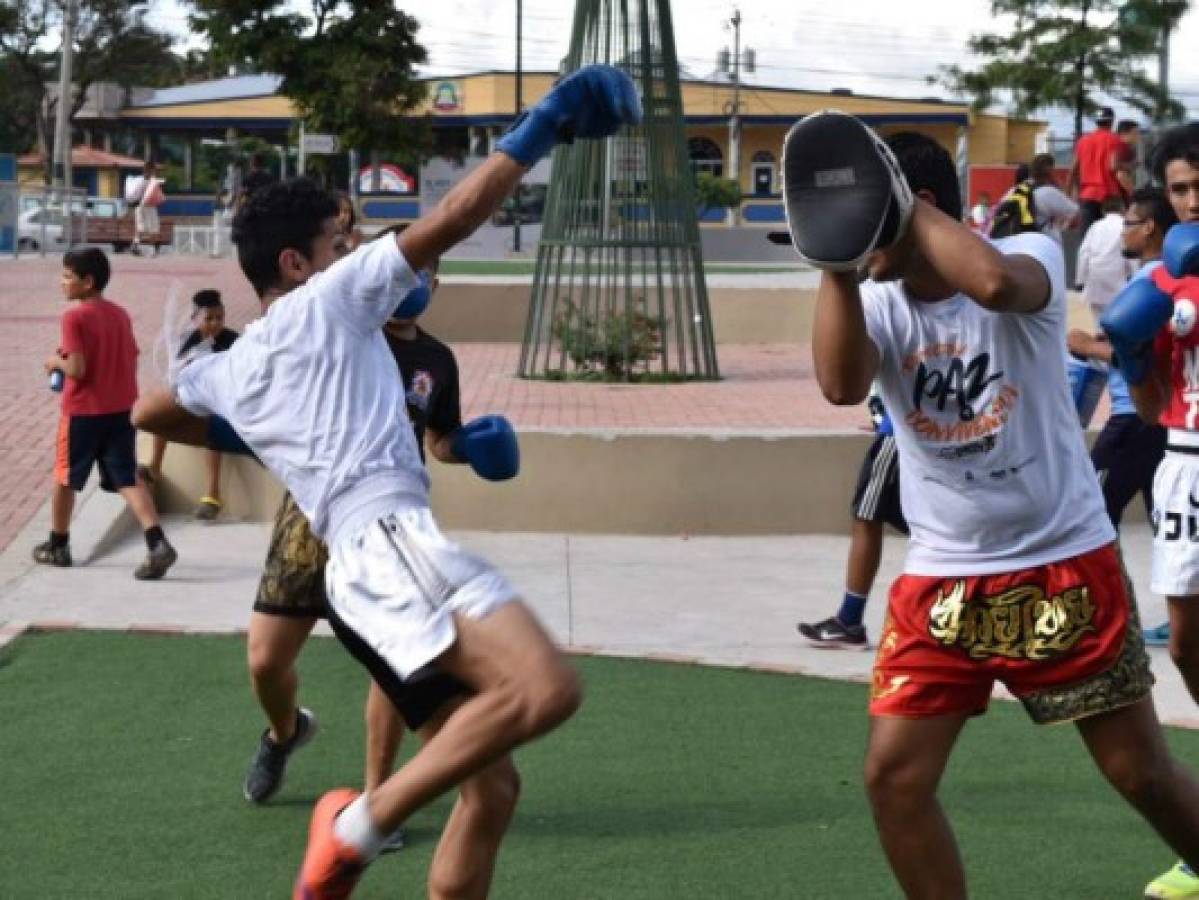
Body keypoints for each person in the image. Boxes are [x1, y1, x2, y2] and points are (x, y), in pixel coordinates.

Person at [131, 64, 639, 898]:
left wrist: (263, 432)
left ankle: (364, 826)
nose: (358, 251)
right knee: (548, 688)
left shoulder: (234, 362)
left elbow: (152, 410)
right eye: (342, 241)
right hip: (387, 543)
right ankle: (354, 828)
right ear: (298, 263)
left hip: (356, 569)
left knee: (494, 787)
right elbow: (452, 216)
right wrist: (543, 125)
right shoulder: (331, 298)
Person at [786, 113, 1199, 898]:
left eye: (866, 225)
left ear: (921, 207)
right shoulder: (876, 300)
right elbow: (840, 384)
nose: (856, 242)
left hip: (1061, 565)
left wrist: (898, 209)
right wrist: (836, 262)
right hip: (941, 579)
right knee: (893, 778)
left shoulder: (1027, 252)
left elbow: (995, 286)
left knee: (1139, 774)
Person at [241, 255, 469, 859]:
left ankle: (377, 798)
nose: (413, 283)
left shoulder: (438, 361)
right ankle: (285, 732)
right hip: (312, 514)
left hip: (392, 527)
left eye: (426, 274)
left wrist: (467, 447)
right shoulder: (342, 333)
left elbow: (439, 438)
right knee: (265, 660)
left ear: (436, 284)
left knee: (390, 670)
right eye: (405, 271)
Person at [1103, 122, 1199, 900]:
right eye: (1178, 190)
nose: (1191, 201)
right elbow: (1152, 401)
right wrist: (1133, 353)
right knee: (1188, 647)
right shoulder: (1165, 284)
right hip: (1183, 469)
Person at [36, 247, 177, 579]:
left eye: (68, 276)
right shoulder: (119, 314)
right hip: (119, 409)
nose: (62, 282)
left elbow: (78, 368)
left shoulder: (74, 316)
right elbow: (132, 353)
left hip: (83, 411)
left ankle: (58, 544)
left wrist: (55, 362)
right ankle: (156, 541)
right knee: (126, 477)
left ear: (88, 282)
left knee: (65, 476)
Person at [1068, 188, 1173, 530]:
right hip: (1151, 419)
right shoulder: (1162, 276)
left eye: (1128, 224)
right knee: (1163, 519)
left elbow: (1145, 355)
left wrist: (1087, 346)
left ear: (1149, 227)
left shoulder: (1152, 279)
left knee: (1089, 514)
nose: (1122, 232)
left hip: (1133, 417)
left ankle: (1112, 585)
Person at [797, 387, 907, 649]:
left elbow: (840, 388)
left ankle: (849, 621)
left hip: (898, 432)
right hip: (914, 427)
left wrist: (883, 415)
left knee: (866, 516)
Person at [143, 289, 240, 520]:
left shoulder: (233, 340)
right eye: (209, 319)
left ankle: (212, 495)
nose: (216, 323)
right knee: (162, 415)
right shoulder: (185, 341)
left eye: (220, 318)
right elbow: (176, 374)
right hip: (190, 399)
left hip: (217, 404)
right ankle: (154, 468)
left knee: (214, 428)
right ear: (195, 319)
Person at [1070, 107, 1135, 236]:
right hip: (1109, 196)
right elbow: (1113, 165)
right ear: (1111, 121)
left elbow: (1074, 169)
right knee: (1111, 236)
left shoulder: (1083, 141)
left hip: (1087, 195)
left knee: (1087, 236)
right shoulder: (1114, 140)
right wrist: (1129, 166)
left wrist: (1069, 192)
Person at [1073, 195, 1130, 304]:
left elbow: (1084, 253)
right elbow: (1130, 253)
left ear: (1103, 211)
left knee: (1098, 318)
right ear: (1123, 209)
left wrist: (1080, 280)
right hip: (1117, 277)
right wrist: (1135, 275)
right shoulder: (1125, 226)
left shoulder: (1095, 226)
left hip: (1095, 280)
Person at [1030, 152, 1079, 245]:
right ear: (1050, 170)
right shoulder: (1048, 192)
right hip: (1045, 241)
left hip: (1020, 240)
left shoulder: (1017, 190)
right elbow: (1076, 213)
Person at [131, 162, 166, 257]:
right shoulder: (153, 181)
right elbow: (158, 194)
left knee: (140, 227)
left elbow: (134, 194)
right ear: (151, 170)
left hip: (138, 206)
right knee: (153, 228)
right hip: (149, 206)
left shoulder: (139, 180)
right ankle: (152, 250)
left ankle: (136, 244)